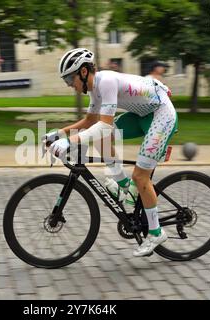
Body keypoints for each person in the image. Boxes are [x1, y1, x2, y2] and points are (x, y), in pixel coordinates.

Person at [43, 48, 178, 257]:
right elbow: (90, 122)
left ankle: (156, 233)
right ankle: (126, 189)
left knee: (141, 176)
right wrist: (58, 133)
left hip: (161, 114)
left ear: (84, 72)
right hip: (143, 115)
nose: (70, 85)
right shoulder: (94, 89)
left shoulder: (105, 82)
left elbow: (104, 126)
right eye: (66, 80)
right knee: (100, 137)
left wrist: (69, 141)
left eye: (70, 79)